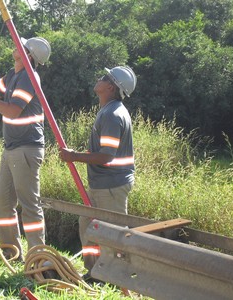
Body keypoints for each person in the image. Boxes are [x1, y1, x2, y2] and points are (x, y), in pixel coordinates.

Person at [0, 37, 51, 261]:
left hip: (26, 148)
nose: (16, 47)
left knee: (29, 204)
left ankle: (38, 256)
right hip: (12, 149)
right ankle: (10, 250)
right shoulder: (12, 75)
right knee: (2, 202)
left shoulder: (29, 77)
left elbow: (11, 111)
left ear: (28, 55)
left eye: (22, 47)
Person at [59, 66, 137, 280]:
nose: (99, 79)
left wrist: (74, 156)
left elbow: (106, 156)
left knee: (113, 234)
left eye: (104, 77)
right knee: (88, 228)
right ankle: (95, 273)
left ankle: (119, 277)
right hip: (101, 184)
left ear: (111, 87)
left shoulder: (112, 115)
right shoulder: (108, 110)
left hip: (111, 186)